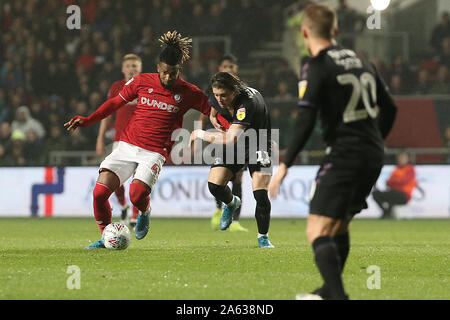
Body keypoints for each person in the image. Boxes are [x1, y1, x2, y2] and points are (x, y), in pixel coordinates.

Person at [268, 4, 397, 299]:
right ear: (335, 31)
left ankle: (338, 297)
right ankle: (329, 291)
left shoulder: (316, 66)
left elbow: (305, 118)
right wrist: (376, 140)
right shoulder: (362, 60)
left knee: (317, 230)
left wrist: (285, 164)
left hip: (345, 155)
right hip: (371, 153)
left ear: (303, 33)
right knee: (338, 225)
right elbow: (390, 107)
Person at [65, 31, 211, 249]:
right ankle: (106, 236)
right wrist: (87, 120)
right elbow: (114, 103)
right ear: (158, 68)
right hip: (126, 146)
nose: (168, 78)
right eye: (164, 73)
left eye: (173, 73)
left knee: (136, 195)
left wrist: (220, 127)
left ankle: (144, 210)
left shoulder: (190, 92)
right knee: (99, 194)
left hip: (154, 152)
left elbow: (212, 109)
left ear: (179, 70)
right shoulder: (142, 81)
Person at [190, 72, 274, 248]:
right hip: (238, 141)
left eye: (224, 95)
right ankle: (231, 202)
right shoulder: (217, 98)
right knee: (214, 185)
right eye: (216, 95)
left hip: (258, 143)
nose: (219, 99)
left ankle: (263, 237)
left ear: (234, 91)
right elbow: (213, 110)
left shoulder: (247, 103)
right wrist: (213, 118)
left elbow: (230, 138)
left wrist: (200, 134)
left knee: (260, 192)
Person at [197, 54, 248, 232]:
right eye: (226, 66)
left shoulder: (243, 92)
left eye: (232, 67)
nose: (229, 69)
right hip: (219, 138)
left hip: (241, 140)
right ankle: (220, 210)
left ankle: (235, 220)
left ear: (236, 70)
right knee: (219, 177)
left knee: (238, 178)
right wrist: (199, 134)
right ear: (220, 68)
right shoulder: (212, 91)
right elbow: (205, 114)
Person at [96, 54, 142, 228]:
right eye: (129, 66)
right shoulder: (116, 87)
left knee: (139, 178)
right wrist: (100, 138)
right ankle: (124, 206)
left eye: (135, 66)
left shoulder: (146, 86)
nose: (132, 69)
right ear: (123, 69)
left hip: (141, 141)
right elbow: (107, 113)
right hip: (120, 141)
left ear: (140, 68)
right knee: (114, 178)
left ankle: (136, 214)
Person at [372, 152, 420, 219]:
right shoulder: (396, 169)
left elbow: (404, 181)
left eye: (403, 158)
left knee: (393, 195)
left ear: (407, 159)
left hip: (404, 195)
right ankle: (386, 212)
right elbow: (388, 183)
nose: (401, 160)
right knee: (376, 194)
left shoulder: (410, 169)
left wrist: (395, 182)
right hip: (394, 192)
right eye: (400, 158)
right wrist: (396, 182)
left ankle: (387, 213)